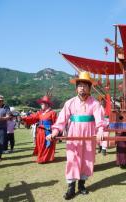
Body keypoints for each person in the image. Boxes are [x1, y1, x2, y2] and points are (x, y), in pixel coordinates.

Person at [46, 71, 106, 200]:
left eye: (85, 85)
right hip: (73, 136)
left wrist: (100, 130)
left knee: (87, 160)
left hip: (89, 137)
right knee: (72, 160)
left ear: (90, 88)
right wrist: (55, 132)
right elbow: (61, 121)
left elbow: (100, 121)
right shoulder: (69, 103)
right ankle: (71, 188)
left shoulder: (95, 104)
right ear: (76, 88)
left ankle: (82, 185)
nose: (82, 88)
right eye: (80, 85)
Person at [21, 95, 57, 163]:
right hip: (40, 131)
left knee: (47, 144)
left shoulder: (52, 113)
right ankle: (41, 157)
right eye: (41, 104)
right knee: (40, 144)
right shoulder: (40, 113)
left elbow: (56, 123)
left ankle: (45, 158)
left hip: (48, 131)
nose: (41, 105)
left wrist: (52, 130)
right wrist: (23, 118)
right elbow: (33, 118)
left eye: (42, 104)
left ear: (47, 104)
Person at [0, 95, 11, 161]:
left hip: (2, 128)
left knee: (1, 142)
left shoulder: (6, 107)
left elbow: (8, 117)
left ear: (2, 101)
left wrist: (0, 118)